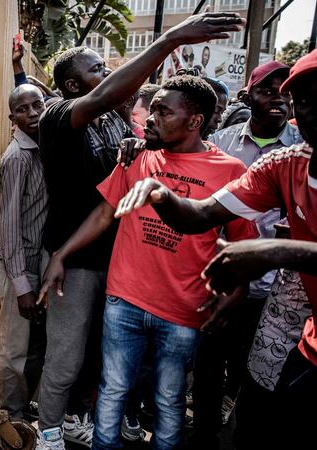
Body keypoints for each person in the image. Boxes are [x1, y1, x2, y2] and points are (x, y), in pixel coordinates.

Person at [34, 13, 244, 450]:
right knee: (67, 358)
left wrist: (139, 144)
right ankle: (49, 432)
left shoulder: (119, 123)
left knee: (117, 372)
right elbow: (109, 202)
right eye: (96, 70)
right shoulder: (56, 115)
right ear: (75, 87)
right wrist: (170, 39)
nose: (108, 74)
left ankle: (80, 420)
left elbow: (151, 150)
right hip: (79, 262)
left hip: (126, 271)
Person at [110, 48, 317, 450]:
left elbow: (265, 247)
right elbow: (200, 215)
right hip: (307, 338)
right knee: (259, 413)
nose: (313, 110)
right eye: (306, 100)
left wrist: (275, 252)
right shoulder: (286, 165)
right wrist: (160, 193)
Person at [189, 60, 302, 449]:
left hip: (277, 290)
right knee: (207, 362)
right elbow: (204, 210)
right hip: (220, 278)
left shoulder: (302, 151)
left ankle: (233, 430)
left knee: (253, 370)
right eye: (266, 90)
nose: (277, 99)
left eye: (284, 92)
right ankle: (204, 433)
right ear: (247, 96)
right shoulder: (221, 143)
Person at [0, 84, 48, 419]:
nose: (32, 114)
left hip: (39, 264)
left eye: (37, 105)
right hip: (18, 269)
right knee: (13, 349)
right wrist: (22, 286)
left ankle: (25, 407)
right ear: (12, 117)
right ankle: (10, 417)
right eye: (23, 109)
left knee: (36, 347)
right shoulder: (16, 158)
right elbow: (8, 227)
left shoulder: (43, 148)